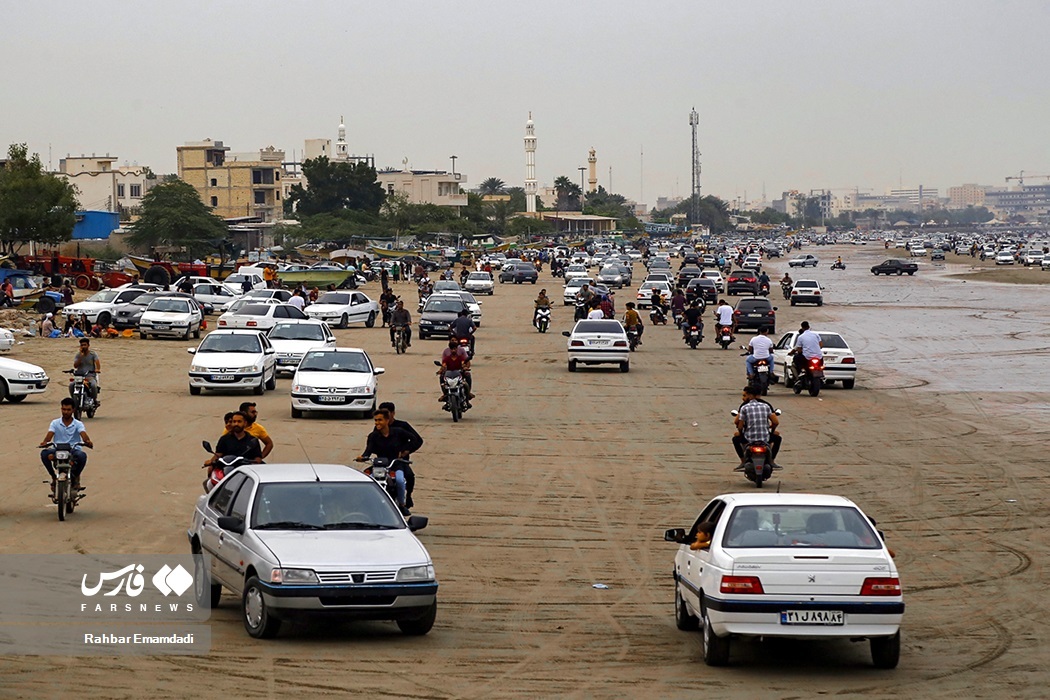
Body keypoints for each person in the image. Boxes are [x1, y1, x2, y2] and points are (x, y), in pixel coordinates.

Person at [355, 408, 415, 514]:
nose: (377, 423)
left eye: (380, 420)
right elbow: (368, 451)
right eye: (376, 420)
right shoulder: (373, 436)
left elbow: (414, 439)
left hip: (396, 465)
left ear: (387, 420)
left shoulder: (398, 432)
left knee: (400, 481)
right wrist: (362, 457)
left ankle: (402, 504)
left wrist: (404, 450)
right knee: (368, 481)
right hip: (379, 466)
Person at [39, 397, 94, 493]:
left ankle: (76, 477)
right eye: (63, 409)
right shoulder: (55, 423)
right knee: (44, 454)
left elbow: (83, 435)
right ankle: (53, 477)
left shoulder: (78, 424)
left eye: (68, 410)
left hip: (73, 449)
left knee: (82, 456)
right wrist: (45, 443)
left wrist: (87, 441)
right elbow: (49, 436)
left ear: (73, 410)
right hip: (57, 449)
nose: (65, 412)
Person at [377, 402, 423, 508]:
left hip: (399, 461)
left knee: (409, 476)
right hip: (383, 461)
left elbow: (417, 440)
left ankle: (408, 498)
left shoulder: (403, 426)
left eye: (386, 413)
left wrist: (406, 451)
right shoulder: (379, 427)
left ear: (393, 413)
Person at [733, 385, 781, 469]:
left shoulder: (744, 407)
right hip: (765, 438)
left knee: (735, 439)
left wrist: (741, 433)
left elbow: (738, 424)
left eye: (745, 395)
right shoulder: (766, 406)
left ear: (751, 395)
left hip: (749, 438)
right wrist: (771, 429)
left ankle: (743, 461)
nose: (743, 398)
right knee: (778, 438)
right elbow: (776, 422)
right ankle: (772, 461)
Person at [72, 337, 101, 403]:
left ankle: (94, 400)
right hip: (80, 376)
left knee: (93, 385)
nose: (83, 346)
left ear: (88, 345)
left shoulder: (93, 354)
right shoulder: (78, 355)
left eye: (85, 345)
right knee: (71, 385)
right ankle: (74, 400)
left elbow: (97, 363)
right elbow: (75, 366)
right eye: (82, 345)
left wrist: (97, 369)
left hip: (90, 375)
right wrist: (81, 356)